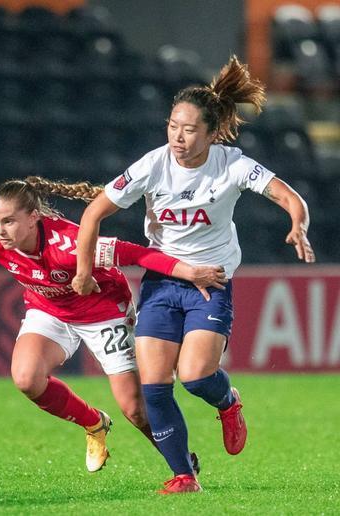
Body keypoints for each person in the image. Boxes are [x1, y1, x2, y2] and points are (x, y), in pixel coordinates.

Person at [72, 56, 316, 493]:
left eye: (188, 130)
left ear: (210, 132)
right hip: (162, 281)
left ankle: (228, 401)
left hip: (210, 283)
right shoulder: (152, 164)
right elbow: (92, 215)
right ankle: (183, 475)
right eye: (172, 126)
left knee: (198, 376)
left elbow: (287, 196)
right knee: (155, 386)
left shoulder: (231, 164)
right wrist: (84, 270)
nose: (178, 138)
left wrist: (297, 223)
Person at [0, 176, 226, 473]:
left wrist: (190, 272)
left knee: (135, 409)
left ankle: (181, 466)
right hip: (49, 311)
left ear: (34, 217)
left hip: (103, 312)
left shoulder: (70, 244)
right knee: (26, 379)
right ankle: (93, 423)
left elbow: (136, 254)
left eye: (8, 221)